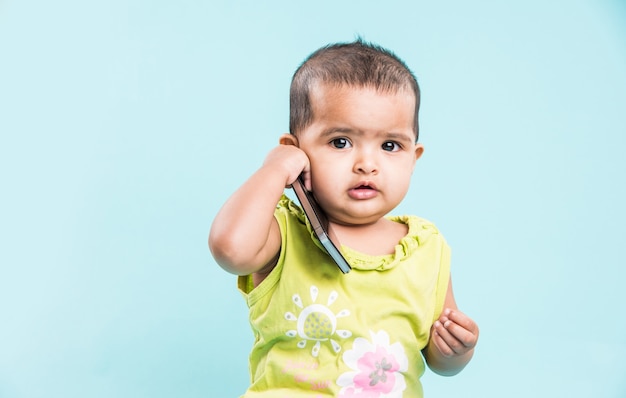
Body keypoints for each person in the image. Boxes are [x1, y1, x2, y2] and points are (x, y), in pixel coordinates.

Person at [209, 38, 479, 397]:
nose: (366, 164)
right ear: (297, 152)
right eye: (340, 142)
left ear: (413, 159)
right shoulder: (283, 232)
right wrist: (274, 171)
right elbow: (230, 249)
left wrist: (456, 351)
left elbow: (437, 359)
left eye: (389, 146)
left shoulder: (426, 248)